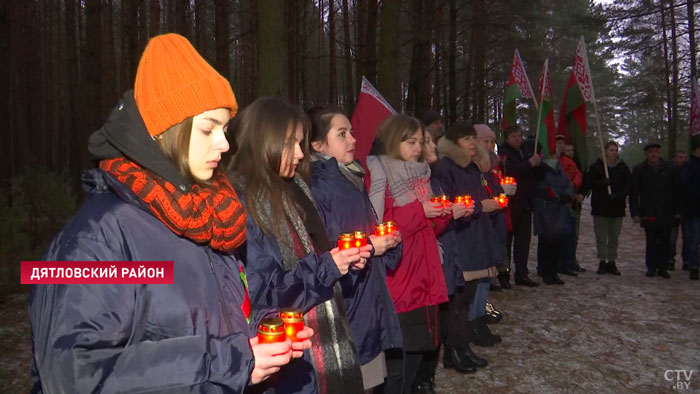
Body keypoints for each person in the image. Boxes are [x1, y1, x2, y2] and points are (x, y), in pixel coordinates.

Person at [27, 34, 312, 393]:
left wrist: (262, 334)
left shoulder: (211, 215)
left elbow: (212, 320)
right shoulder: (94, 237)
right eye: (209, 128)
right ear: (166, 131)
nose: (225, 144)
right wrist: (228, 362)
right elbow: (74, 374)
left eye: (224, 129)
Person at [228, 97, 370, 394]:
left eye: (301, 143)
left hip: (318, 349)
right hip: (285, 364)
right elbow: (262, 294)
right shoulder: (242, 204)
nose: (298, 153)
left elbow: (315, 261)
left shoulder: (293, 191)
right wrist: (327, 268)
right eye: (290, 143)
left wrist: (345, 264)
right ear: (262, 141)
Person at [306, 106, 403, 391]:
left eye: (351, 132)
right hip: (347, 305)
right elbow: (324, 252)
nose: (353, 140)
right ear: (317, 144)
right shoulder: (321, 187)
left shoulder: (349, 179)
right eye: (342, 134)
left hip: (365, 300)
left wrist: (385, 241)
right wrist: (371, 246)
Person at [366, 115, 450, 394]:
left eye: (421, 142)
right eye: (410, 142)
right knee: (399, 365)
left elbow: (429, 231)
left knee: (414, 357)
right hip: (399, 279)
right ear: (393, 141)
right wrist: (420, 211)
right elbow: (381, 224)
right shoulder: (380, 175)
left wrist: (441, 214)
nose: (418, 148)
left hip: (423, 276)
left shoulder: (421, 176)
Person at [433, 122, 503, 364]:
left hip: (476, 236)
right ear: (454, 143)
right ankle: (454, 348)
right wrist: (478, 207)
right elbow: (447, 205)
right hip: (459, 239)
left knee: (467, 297)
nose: (472, 142)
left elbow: (479, 197)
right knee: (458, 298)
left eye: (473, 137)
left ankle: (461, 347)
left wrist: (491, 204)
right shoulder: (446, 168)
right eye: (466, 139)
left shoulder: (474, 168)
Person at [629, 142, 680, 278]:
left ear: (659, 153)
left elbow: (677, 191)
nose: (653, 154)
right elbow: (634, 194)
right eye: (650, 152)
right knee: (651, 241)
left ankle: (663, 268)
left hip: (666, 211)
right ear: (646, 154)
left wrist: (677, 210)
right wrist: (635, 213)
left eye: (656, 151)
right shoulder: (639, 169)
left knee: (665, 241)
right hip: (648, 212)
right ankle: (651, 267)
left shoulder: (670, 168)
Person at [499, 125, 541, 287]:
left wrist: (537, 164)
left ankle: (521, 273)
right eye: (514, 136)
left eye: (520, 136)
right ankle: (504, 273)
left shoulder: (526, 151)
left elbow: (537, 175)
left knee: (523, 242)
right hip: (511, 204)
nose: (518, 139)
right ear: (507, 138)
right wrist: (529, 164)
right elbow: (509, 171)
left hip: (525, 202)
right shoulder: (504, 153)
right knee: (507, 241)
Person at [581, 141, 631, 276]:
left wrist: (618, 195)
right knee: (601, 237)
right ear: (605, 151)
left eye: (616, 150)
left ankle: (612, 261)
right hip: (601, 207)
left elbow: (628, 186)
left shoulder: (623, 167)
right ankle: (602, 261)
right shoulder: (597, 167)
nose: (614, 153)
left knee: (614, 237)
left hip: (617, 207)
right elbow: (588, 183)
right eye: (611, 150)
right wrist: (602, 183)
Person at [533, 156, 575, 285]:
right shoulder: (541, 172)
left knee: (557, 242)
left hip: (559, 211)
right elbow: (541, 187)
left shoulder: (561, 173)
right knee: (546, 242)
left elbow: (569, 185)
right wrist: (556, 195)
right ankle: (545, 271)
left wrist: (567, 194)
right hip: (546, 209)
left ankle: (554, 271)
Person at [554, 135, 584, 276]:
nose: (561, 146)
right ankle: (557, 263)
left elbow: (578, 175)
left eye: (562, 143)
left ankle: (567, 262)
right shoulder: (552, 160)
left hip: (570, 201)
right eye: (558, 143)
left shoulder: (569, 162)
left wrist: (573, 186)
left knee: (570, 235)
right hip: (556, 202)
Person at [679, 135, 700, 280]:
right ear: (694, 151)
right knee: (693, 239)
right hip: (693, 210)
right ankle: (693, 266)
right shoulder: (689, 166)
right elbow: (686, 187)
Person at [669, 150, 688, 271]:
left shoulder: (690, 172)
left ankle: (687, 260)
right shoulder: (669, 172)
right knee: (672, 238)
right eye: (680, 157)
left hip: (688, 210)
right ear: (674, 159)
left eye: (685, 157)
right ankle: (670, 259)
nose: (683, 159)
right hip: (672, 210)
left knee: (689, 237)